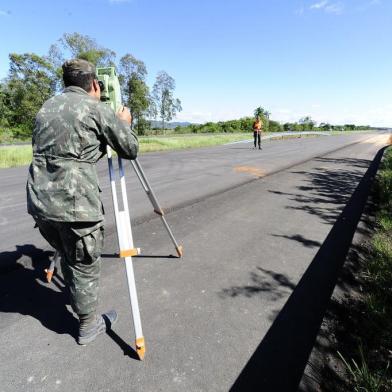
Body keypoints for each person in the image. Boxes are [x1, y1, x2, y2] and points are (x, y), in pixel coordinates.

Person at [26, 59, 139, 345]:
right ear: (95, 84)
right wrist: (124, 124)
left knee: (67, 251)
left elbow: (65, 150)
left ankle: (78, 298)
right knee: (84, 262)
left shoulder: (46, 108)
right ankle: (88, 325)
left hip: (40, 203)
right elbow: (129, 149)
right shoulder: (95, 108)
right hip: (75, 206)